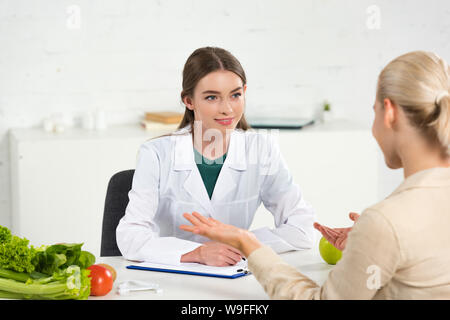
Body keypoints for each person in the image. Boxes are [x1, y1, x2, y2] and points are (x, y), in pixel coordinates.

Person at [181, 51, 450, 299]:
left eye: (374, 111)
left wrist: (248, 243)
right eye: (212, 97)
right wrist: (371, 247)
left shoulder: (385, 222)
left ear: (389, 113)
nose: (226, 108)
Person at [116, 47, 316, 267]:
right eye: (212, 97)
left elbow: (302, 228)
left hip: (235, 277)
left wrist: (243, 242)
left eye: (236, 95)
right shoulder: (156, 154)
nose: (227, 109)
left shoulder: (262, 149)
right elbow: (130, 237)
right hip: (171, 275)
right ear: (189, 101)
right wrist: (197, 253)